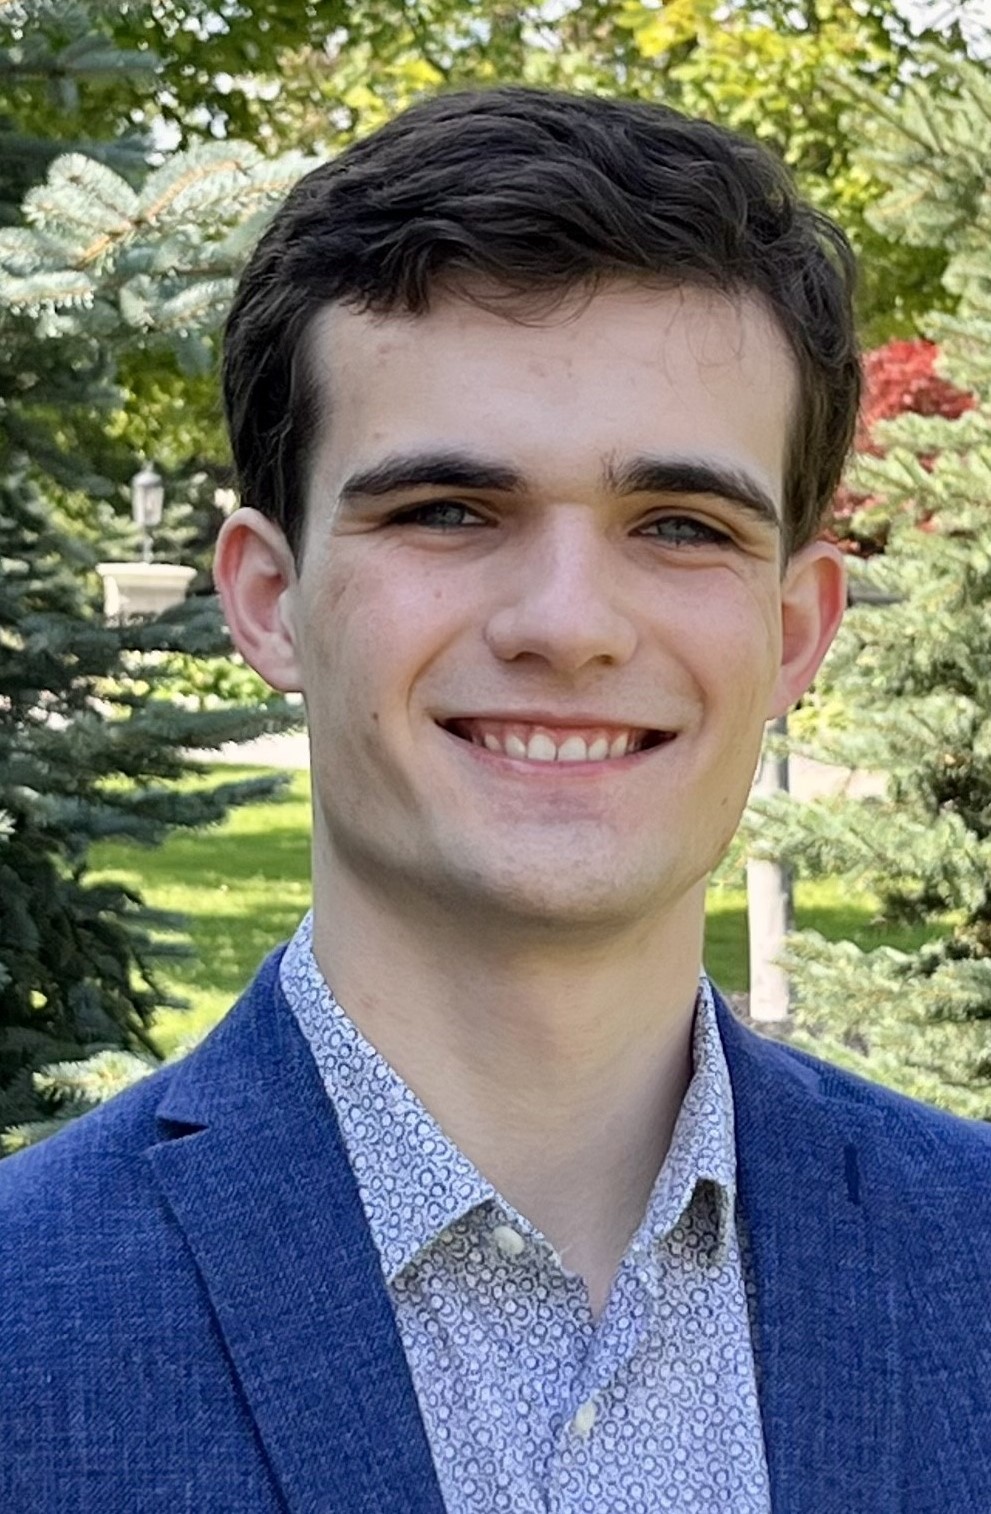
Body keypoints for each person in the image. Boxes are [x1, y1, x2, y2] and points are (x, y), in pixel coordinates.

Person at [2, 86, 989, 1514]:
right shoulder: (29, 1316)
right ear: (271, 601)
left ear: (794, 632)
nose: (568, 625)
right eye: (449, 511)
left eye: (680, 526)